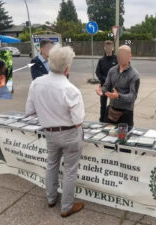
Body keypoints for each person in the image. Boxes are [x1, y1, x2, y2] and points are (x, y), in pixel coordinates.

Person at [26, 45, 85, 217]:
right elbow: (78, 120)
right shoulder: (71, 90)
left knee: (51, 165)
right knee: (70, 171)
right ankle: (66, 207)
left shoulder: (36, 83)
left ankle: (51, 198)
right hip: (69, 134)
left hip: (50, 132)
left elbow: (29, 111)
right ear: (67, 68)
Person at [96, 45, 140, 130]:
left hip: (125, 114)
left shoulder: (134, 75)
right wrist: (103, 92)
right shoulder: (112, 71)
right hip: (111, 111)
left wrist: (118, 96)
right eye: (120, 54)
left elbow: (132, 97)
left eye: (125, 54)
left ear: (130, 56)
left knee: (122, 141)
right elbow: (106, 86)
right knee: (107, 140)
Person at [96, 40, 118, 122]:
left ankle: (112, 119)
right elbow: (98, 72)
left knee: (113, 104)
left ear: (112, 48)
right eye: (106, 47)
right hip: (104, 86)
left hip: (114, 86)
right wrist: (106, 80)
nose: (108, 49)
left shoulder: (116, 59)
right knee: (103, 105)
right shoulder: (101, 60)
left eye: (110, 47)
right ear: (104, 48)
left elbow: (120, 71)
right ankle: (102, 120)